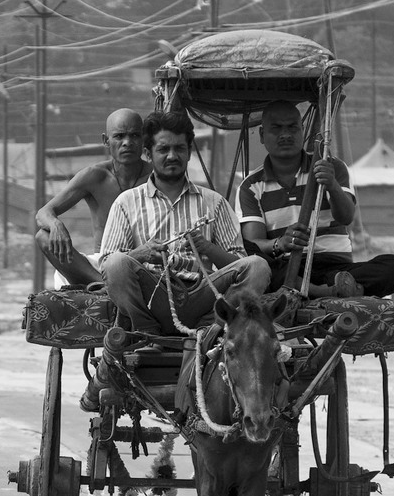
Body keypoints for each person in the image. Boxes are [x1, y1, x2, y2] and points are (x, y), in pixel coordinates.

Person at [98, 110, 270, 338]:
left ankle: (213, 327)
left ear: (189, 152)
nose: (172, 156)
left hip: (204, 296)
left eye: (179, 148)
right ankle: (146, 329)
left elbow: (239, 262)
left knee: (258, 266)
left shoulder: (214, 202)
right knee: (116, 263)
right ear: (148, 154)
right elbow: (107, 263)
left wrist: (207, 249)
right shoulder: (126, 202)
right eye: (163, 149)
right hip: (152, 296)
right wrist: (142, 253)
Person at [236, 100, 394, 297]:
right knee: (251, 257)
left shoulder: (331, 167)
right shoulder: (250, 186)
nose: (285, 135)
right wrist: (280, 243)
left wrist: (331, 184)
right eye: (276, 128)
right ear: (261, 135)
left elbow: (346, 217)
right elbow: (253, 243)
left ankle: (337, 288)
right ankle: (331, 293)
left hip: (337, 268)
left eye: (292, 127)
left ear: (303, 131)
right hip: (289, 269)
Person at [35, 108, 153, 287]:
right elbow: (44, 213)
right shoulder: (95, 176)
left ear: (143, 138)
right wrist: (56, 225)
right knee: (43, 237)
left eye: (134, 136)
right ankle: (103, 284)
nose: (127, 143)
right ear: (106, 140)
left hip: (144, 262)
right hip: (100, 264)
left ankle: (104, 284)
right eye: (119, 136)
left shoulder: (156, 177)